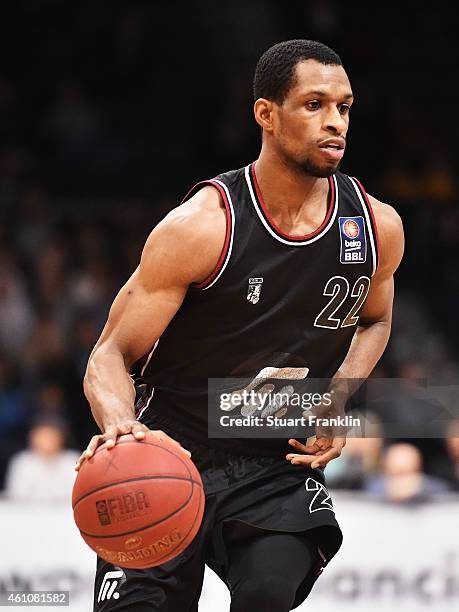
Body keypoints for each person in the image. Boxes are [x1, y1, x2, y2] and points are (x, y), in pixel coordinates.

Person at [76, 40, 404, 611]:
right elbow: (109, 356)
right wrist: (122, 428)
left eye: (345, 107)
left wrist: (338, 394)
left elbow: (376, 321)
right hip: (171, 448)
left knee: (268, 595)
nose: (334, 122)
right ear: (266, 115)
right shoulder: (202, 227)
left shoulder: (377, 227)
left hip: (274, 461)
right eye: (314, 104)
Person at [6, 415, 79, 502]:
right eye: (42, 436)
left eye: (51, 436)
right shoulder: (21, 462)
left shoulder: (74, 460)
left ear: (61, 438)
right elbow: (14, 498)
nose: (47, 440)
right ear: (32, 437)